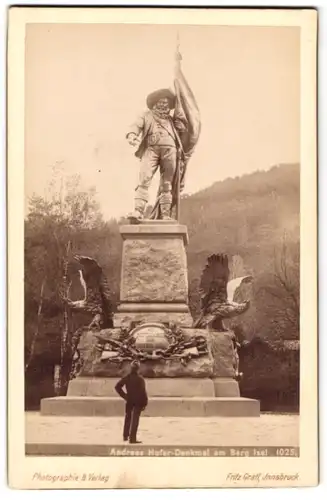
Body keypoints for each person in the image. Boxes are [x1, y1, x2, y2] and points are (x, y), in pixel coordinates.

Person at [126, 88, 187, 222]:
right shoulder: (146, 115)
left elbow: (183, 130)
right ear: (155, 103)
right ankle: (138, 211)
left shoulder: (172, 120)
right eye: (161, 102)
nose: (163, 105)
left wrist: (180, 118)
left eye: (166, 102)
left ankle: (165, 214)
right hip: (151, 149)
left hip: (170, 151)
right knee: (144, 179)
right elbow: (136, 125)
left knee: (167, 184)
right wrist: (132, 135)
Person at [115, 360, 148, 444]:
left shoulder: (127, 377)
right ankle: (132, 438)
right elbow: (143, 392)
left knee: (128, 418)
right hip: (137, 401)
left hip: (129, 400)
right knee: (135, 420)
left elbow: (117, 387)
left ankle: (125, 436)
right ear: (138, 369)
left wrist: (125, 396)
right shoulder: (140, 379)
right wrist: (145, 402)